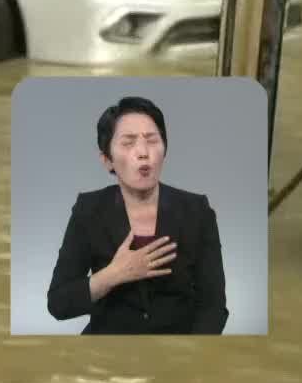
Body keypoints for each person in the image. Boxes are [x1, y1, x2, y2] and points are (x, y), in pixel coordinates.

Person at [45, 95, 228, 334]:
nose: (143, 152)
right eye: (128, 142)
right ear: (107, 160)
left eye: (152, 141)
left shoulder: (197, 211)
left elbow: (213, 306)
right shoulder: (89, 211)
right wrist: (112, 275)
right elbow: (58, 303)